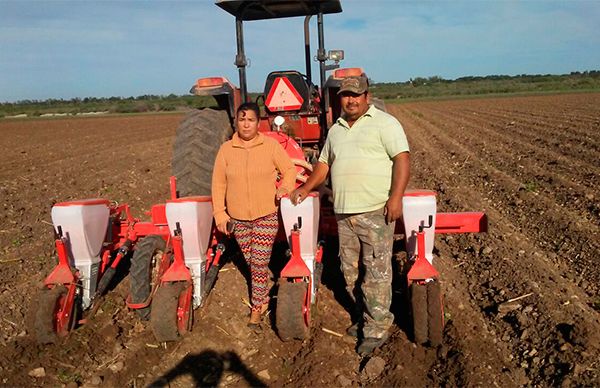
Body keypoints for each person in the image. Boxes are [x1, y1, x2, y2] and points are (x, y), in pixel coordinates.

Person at [291, 76, 410, 355]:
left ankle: (378, 326)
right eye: (345, 95)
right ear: (339, 99)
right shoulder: (336, 130)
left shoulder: (385, 123)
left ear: (367, 95)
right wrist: (305, 187)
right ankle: (364, 317)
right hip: (345, 214)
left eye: (356, 95)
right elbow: (323, 164)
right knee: (350, 271)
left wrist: (396, 197)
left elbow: (402, 159)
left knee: (376, 271)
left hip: (374, 210)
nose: (351, 100)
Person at [212, 102, 297, 330]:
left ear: (258, 122)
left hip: (265, 215)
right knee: (252, 262)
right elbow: (218, 184)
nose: (246, 124)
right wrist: (220, 213)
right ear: (236, 122)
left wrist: (285, 188)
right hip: (237, 218)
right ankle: (264, 288)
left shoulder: (270, 146)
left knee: (258, 263)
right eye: (242, 119)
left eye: (250, 119)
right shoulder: (226, 150)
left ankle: (257, 308)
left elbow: (290, 169)